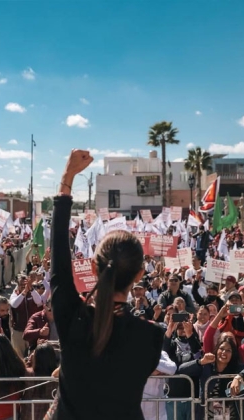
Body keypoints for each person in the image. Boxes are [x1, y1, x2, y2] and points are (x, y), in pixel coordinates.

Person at [49, 149, 164, 420]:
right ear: (139, 274)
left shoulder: (72, 319)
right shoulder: (151, 338)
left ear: (92, 267)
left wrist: (67, 179)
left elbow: (59, 263)